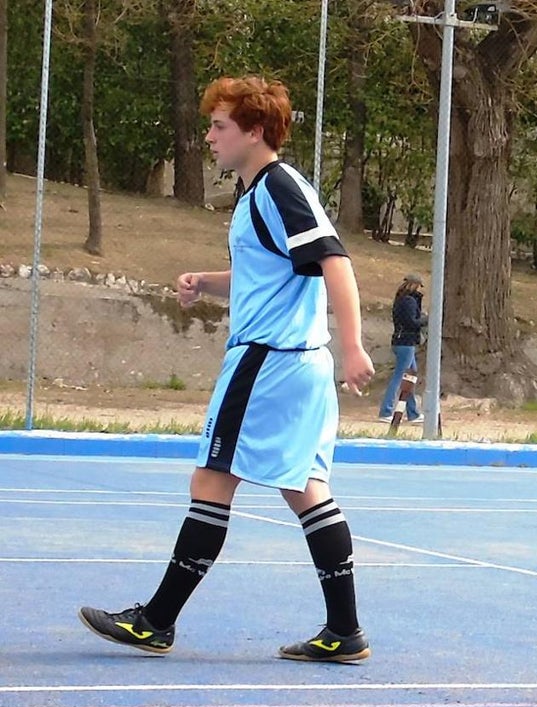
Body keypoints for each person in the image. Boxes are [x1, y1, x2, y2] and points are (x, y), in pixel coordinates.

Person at [78, 76, 375, 663]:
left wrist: (354, 346)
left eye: (220, 126)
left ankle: (156, 621)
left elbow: (335, 262)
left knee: (212, 481)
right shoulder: (256, 194)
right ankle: (345, 632)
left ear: (254, 132)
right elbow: (273, 275)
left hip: (267, 363)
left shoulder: (278, 187)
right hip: (296, 364)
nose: (210, 137)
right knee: (305, 489)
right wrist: (207, 283)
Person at [378, 273, 427, 424]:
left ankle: (413, 413)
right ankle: (386, 411)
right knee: (400, 377)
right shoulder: (409, 301)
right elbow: (411, 322)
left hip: (401, 341)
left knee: (409, 378)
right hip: (406, 342)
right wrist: (426, 320)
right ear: (415, 285)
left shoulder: (401, 299)